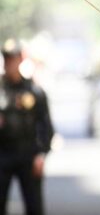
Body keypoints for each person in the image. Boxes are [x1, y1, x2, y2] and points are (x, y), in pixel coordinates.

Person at [0, 39, 54, 215]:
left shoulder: (34, 91)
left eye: (13, 59)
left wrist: (41, 153)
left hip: (28, 154)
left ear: (21, 59)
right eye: (7, 59)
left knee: (34, 206)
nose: (10, 64)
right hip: (3, 153)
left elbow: (45, 125)